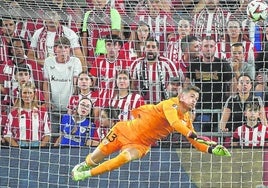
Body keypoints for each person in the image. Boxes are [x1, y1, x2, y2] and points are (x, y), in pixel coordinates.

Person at [71, 85, 231, 181]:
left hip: (140, 145)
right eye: (192, 96)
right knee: (93, 159)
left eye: (197, 98)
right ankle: (86, 165)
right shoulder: (170, 104)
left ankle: (86, 175)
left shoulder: (187, 118)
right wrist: (194, 135)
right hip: (122, 130)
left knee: (124, 158)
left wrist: (211, 149)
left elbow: (195, 143)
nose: (195, 100)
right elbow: (175, 123)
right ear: (181, 96)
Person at [185, 36, 234, 132]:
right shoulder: (194, 64)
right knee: (197, 137)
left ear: (215, 48)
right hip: (199, 108)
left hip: (220, 108)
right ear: (201, 48)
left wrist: (230, 99)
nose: (208, 49)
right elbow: (186, 83)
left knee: (218, 139)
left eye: (211, 46)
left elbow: (233, 82)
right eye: (206, 46)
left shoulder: (223, 64)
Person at [43, 36, 82, 139]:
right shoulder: (48, 62)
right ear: (55, 49)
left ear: (69, 49)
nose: (63, 50)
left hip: (70, 108)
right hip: (54, 107)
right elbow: (46, 83)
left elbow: (76, 83)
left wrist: (74, 103)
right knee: (52, 136)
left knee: (67, 136)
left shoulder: (75, 61)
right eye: (60, 47)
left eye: (66, 47)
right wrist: (47, 101)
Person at [130, 37, 178, 104]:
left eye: (153, 47)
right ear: (144, 49)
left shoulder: (167, 63)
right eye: (148, 47)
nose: (150, 49)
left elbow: (177, 85)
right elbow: (132, 86)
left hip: (163, 104)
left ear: (158, 50)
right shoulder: (136, 64)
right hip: (143, 105)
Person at [2, 82, 51, 147]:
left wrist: (41, 147)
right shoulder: (13, 114)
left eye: (30, 93)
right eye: (25, 93)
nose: (27, 95)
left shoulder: (42, 112)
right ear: (21, 95)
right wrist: (17, 147)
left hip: (37, 146)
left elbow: (48, 133)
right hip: (19, 146)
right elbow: (7, 134)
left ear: (34, 94)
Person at [81, 0, 121, 65]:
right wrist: (84, 59)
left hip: (106, 57)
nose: (99, 1)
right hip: (90, 57)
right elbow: (85, 37)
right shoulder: (88, 14)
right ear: (92, 1)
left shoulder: (113, 13)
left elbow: (115, 38)